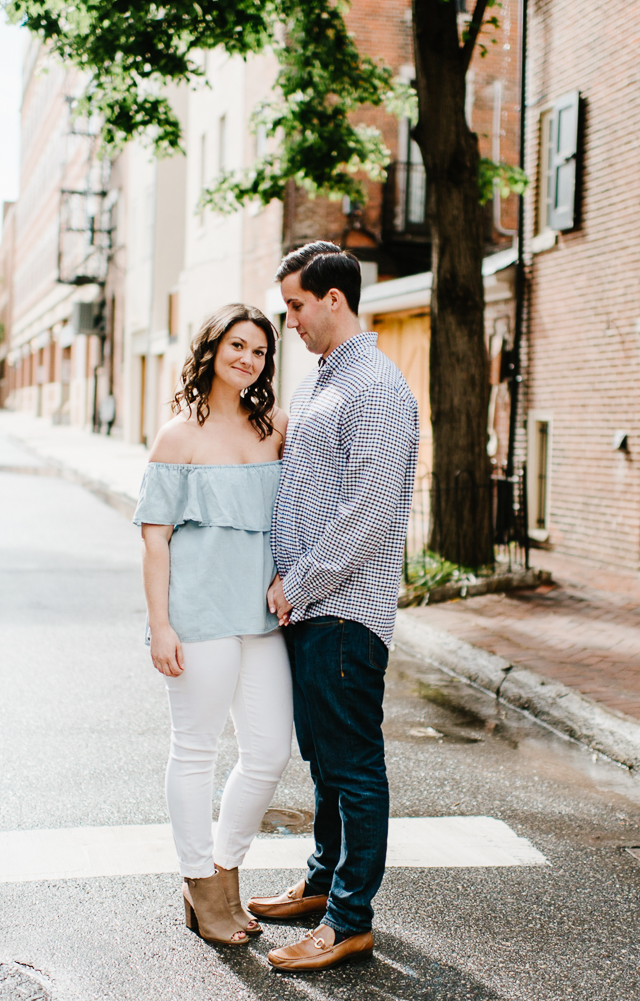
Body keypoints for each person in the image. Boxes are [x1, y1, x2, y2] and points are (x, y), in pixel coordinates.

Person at [253, 242, 420, 972]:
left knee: (354, 767)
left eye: (294, 305)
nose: (287, 320)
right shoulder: (326, 380)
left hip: (344, 610)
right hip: (316, 610)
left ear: (333, 299)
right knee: (326, 763)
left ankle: (350, 918)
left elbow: (368, 513)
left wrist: (300, 583)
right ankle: (324, 884)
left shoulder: (375, 388)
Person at [133, 303, 292, 947]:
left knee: (269, 752)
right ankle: (198, 880)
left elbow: (297, 513)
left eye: (258, 352)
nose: (248, 360)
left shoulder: (275, 426)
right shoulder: (179, 436)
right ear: (212, 350)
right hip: (197, 617)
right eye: (238, 346)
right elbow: (154, 541)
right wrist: (159, 625)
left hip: (260, 616)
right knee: (195, 751)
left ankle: (223, 869)